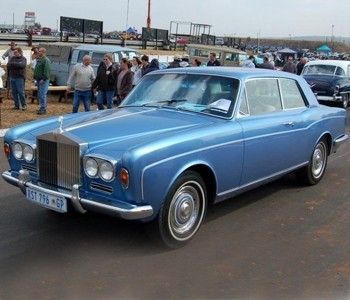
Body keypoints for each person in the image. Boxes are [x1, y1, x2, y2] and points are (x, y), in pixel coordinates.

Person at [34, 47, 51, 114]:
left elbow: (47, 71)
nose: (38, 52)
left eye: (40, 51)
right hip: (38, 79)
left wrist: (43, 79)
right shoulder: (40, 59)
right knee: (40, 94)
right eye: (39, 51)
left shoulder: (46, 60)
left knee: (42, 94)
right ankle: (41, 107)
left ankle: (43, 109)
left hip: (43, 80)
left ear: (44, 52)